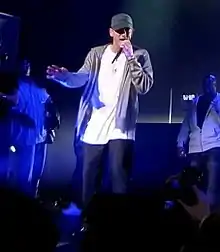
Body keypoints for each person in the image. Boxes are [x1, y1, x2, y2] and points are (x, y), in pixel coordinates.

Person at [47, 13, 153, 207]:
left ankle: (117, 223)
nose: (124, 34)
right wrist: (63, 76)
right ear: (111, 32)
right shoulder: (96, 54)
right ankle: (88, 223)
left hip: (121, 127)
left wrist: (131, 58)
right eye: (119, 30)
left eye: (127, 30)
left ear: (132, 32)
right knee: (88, 179)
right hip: (95, 125)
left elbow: (144, 86)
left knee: (118, 177)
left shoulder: (140, 54)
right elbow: (80, 78)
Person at [177, 74, 220, 212]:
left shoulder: (218, 101)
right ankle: (196, 211)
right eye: (206, 83)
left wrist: (216, 108)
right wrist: (180, 143)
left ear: (215, 84)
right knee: (193, 182)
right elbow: (186, 125)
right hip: (195, 148)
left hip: (214, 146)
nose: (208, 86)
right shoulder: (195, 102)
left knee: (212, 184)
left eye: (211, 83)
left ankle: (210, 214)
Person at [10, 60, 49, 197]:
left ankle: (34, 198)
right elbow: (11, 106)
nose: (26, 66)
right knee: (25, 173)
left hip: (41, 136)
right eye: (23, 63)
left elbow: (48, 102)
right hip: (25, 137)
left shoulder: (36, 85)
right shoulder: (15, 85)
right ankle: (23, 204)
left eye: (28, 64)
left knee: (37, 172)